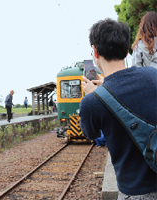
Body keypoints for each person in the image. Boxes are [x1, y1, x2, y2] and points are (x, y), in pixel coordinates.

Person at [79, 18, 157, 199]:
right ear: (126, 48)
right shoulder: (153, 75)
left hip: (135, 192)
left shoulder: (92, 102)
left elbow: (91, 134)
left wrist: (95, 94)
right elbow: (129, 89)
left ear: (95, 52)